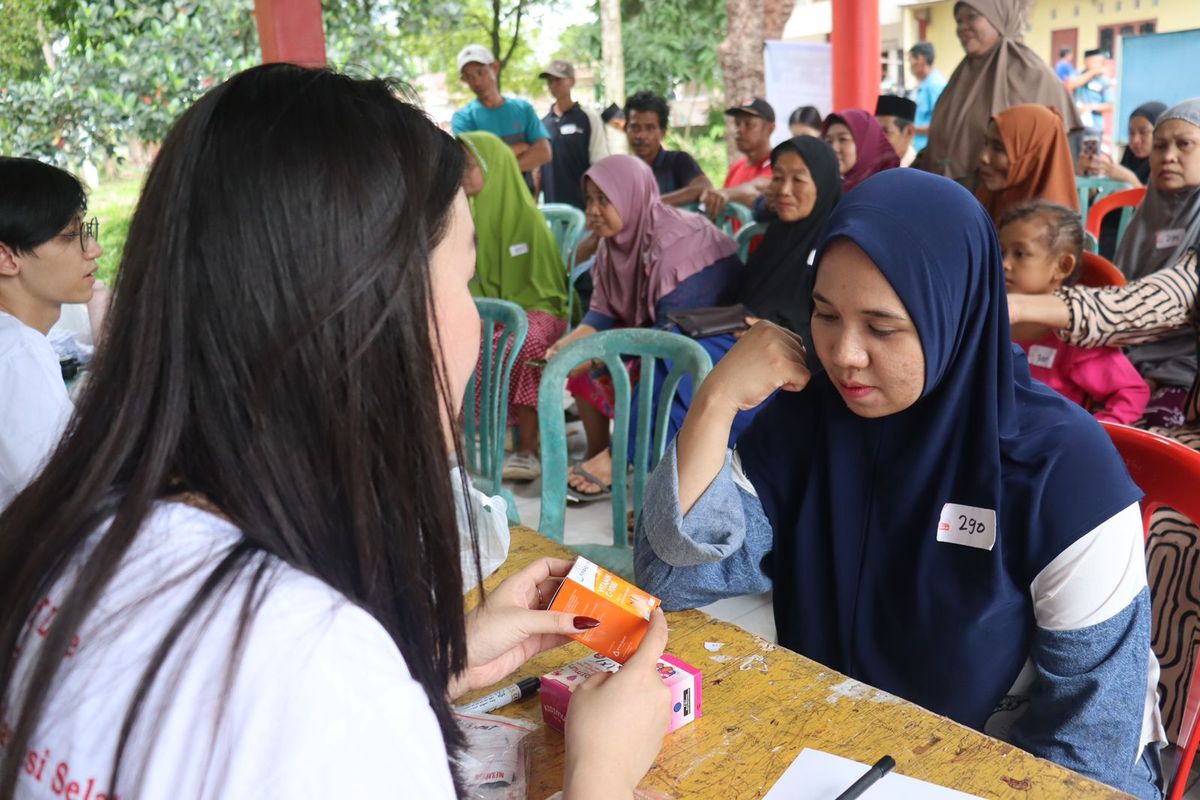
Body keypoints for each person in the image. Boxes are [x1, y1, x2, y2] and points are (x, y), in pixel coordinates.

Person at [0, 65, 672, 799]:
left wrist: (420, 667)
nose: (477, 320)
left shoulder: (62, 529)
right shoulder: (315, 674)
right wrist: (600, 775)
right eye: (465, 276)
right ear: (381, 319)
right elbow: (300, 712)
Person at [634, 169, 1165, 799]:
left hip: (1009, 771)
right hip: (838, 753)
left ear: (957, 315)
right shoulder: (809, 421)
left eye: (882, 328)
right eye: (824, 315)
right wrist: (716, 402)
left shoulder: (1060, 469)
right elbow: (672, 582)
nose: (844, 354)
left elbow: (1092, 746)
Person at [544, 154, 738, 501]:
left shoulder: (674, 243)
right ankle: (605, 455)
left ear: (631, 196)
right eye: (589, 199)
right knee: (578, 365)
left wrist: (599, 354)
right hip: (660, 327)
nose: (593, 210)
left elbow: (668, 343)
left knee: (657, 373)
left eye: (604, 199)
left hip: (706, 337)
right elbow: (600, 314)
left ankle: (627, 459)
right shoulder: (610, 246)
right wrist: (568, 349)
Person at [642, 136, 843, 456]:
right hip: (746, 334)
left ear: (822, 181)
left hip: (792, 357)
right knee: (667, 349)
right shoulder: (779, 231)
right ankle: (653, 473)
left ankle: (674, 483)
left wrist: (771, 330)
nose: (785, 189)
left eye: (799, 179)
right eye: (778, 177)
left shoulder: (837, 245)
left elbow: (832, 328)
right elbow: (753, 294)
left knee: (689, 366)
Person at [459, 131, 568, 481]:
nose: (462, 174)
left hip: (540, 308)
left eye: (470, 166)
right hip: (494, 309)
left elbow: (548, 290)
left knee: (524, 341)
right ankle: (486, 432)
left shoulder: (528, 221)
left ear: (495, 168)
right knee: (459, 337)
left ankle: (528, 449)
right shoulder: (468, 217)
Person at [0, 158, 101, 509]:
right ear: (7, 257)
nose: (94, 249)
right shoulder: (15, 351)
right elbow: (69, 500)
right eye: (72, 236)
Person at [999, 201, 1148, 424]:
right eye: (1000, 252)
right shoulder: (989, 318)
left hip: (1047, 447)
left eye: (1020, 254)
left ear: (1062, 267)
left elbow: (1132, 392)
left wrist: (1097, 435)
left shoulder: (1075, 339)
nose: (1004, 263)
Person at [922, 0, 1081, 183]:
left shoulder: (1034, 76)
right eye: (958, 21)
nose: (962, 28)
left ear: (999, 18)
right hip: (952, 199)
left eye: (972, 17)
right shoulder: (961, 78)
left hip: (1010, 202)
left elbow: (1056, 157)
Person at [451, 44, 552, 195]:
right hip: (487, 203)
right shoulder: (462, 118)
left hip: (524, 198)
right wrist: (520, 148)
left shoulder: (523, 109)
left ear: (495, 67)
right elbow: (474, 167)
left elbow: (544, 153)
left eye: (480, 72)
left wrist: (495, 166)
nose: (477, 81)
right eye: (469, 76)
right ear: (463, 80)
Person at [975, 104, 1080, 225]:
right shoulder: (987, 201)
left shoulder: (1052, 234)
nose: (983, 157)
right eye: (985, 143)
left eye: (998, 148)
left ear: (1033, 157)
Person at [623, 90, 713, 208]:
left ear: (663, 133)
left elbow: (703, 186)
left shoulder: (678, 162)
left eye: (650, 128)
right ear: (625, 129)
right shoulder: (621, 170)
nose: (641, 135)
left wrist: (653, 204)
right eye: (635, 127)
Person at [539, 59, 608, 210]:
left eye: (558, 79)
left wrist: (597, 205)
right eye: (549, 81)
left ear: (572, 81)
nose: (553, 84)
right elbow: (538, 171)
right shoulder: (542, 124)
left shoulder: (588, 118)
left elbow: (599, 163)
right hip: (552, 211)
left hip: (583, 210)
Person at [701, 97, 776, 222]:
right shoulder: (736, 167)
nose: (740, 130)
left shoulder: (778, 165)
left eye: (749, 124)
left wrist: (727, 194)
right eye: (737, 123)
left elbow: (758, 187)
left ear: (770, 128)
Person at [822, 109, 900, 192]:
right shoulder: (826, 191)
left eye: (843, 139)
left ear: (867, 145)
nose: (834, 148)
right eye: (829, 141)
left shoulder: (889, 190)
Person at [907, 42, 947, 153]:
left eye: (910, 61)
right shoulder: (923, 85)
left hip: (929, 151)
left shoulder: (935, 86)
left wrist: (911, 129)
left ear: (921, 59)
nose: (909, 66)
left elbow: (942, 125)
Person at [1074, 49, 1114, 141]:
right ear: (1086, 61)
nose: (1099, 64)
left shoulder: (1103, 80)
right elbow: (1070, 85)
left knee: (1091, 155)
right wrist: (1092, 72)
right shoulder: (1077, 74)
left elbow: (1110, 106)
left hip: (1093, 128)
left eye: (1100, 62)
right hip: (1075, 125)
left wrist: (1090, 107)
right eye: (1095, 61)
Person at [874, 95, 918, 167]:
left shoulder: (920, 169)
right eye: (875, 130)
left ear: (909, 132)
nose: (877, 139)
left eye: (885, 132)